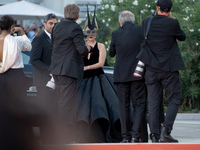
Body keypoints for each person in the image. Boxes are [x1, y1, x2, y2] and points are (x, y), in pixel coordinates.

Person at [71, 6, 122, 143]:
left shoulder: (100, 46)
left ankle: (103, 132)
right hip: (83, 81)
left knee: (102, 106)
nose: (91, 33)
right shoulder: (82, 45)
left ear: (96, 32)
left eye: (93, 31)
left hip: (99, 80)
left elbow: (100, 63)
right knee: (81, 107)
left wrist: (86, 67)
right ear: (85, 32)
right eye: (88, 31)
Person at [137, 0, 186, 143]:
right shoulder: (173, 23)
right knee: (174, 99)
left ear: (158, 8)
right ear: (169, 10)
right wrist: (170, 19)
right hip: (169, 69)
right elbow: (182, 37)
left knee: (152, 102)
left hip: (151, 69)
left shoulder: (147, 21)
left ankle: (154, 134)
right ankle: (166, 131)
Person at [49, 4, 89, 143]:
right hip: (68, 70)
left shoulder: (56, 27)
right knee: (66, 104)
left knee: (61, 102)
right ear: (77, 16)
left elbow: (52, 47)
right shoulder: (75, 27)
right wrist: (87, 49)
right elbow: (81, 50)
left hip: (56, 69)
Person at [109, 11, 147, 143]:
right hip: (138, 74)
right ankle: (136, 135)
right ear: (133, 20)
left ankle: (125, 136)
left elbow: (111, 53)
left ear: (121, 22)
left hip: (121, 75)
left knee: (123, 106)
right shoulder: (140, 31)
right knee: (139, 104)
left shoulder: (115, 33)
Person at [30, 13, 58, 144]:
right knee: (44, 112)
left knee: (54, 111)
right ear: (44, 24)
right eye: (51, 23)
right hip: (43, 81)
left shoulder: (57, 38)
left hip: (56, 81)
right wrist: (50, 71)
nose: (53, 26)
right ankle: (44, 141)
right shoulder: (39, 39)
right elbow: (34, 60)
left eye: (55, 23)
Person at [0, 15, 32, 110]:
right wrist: (22, 31)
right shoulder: (17, 41)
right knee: (16, 107)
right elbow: (29, 46)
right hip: (15, 76)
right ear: (11, 27)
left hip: (1, 77)